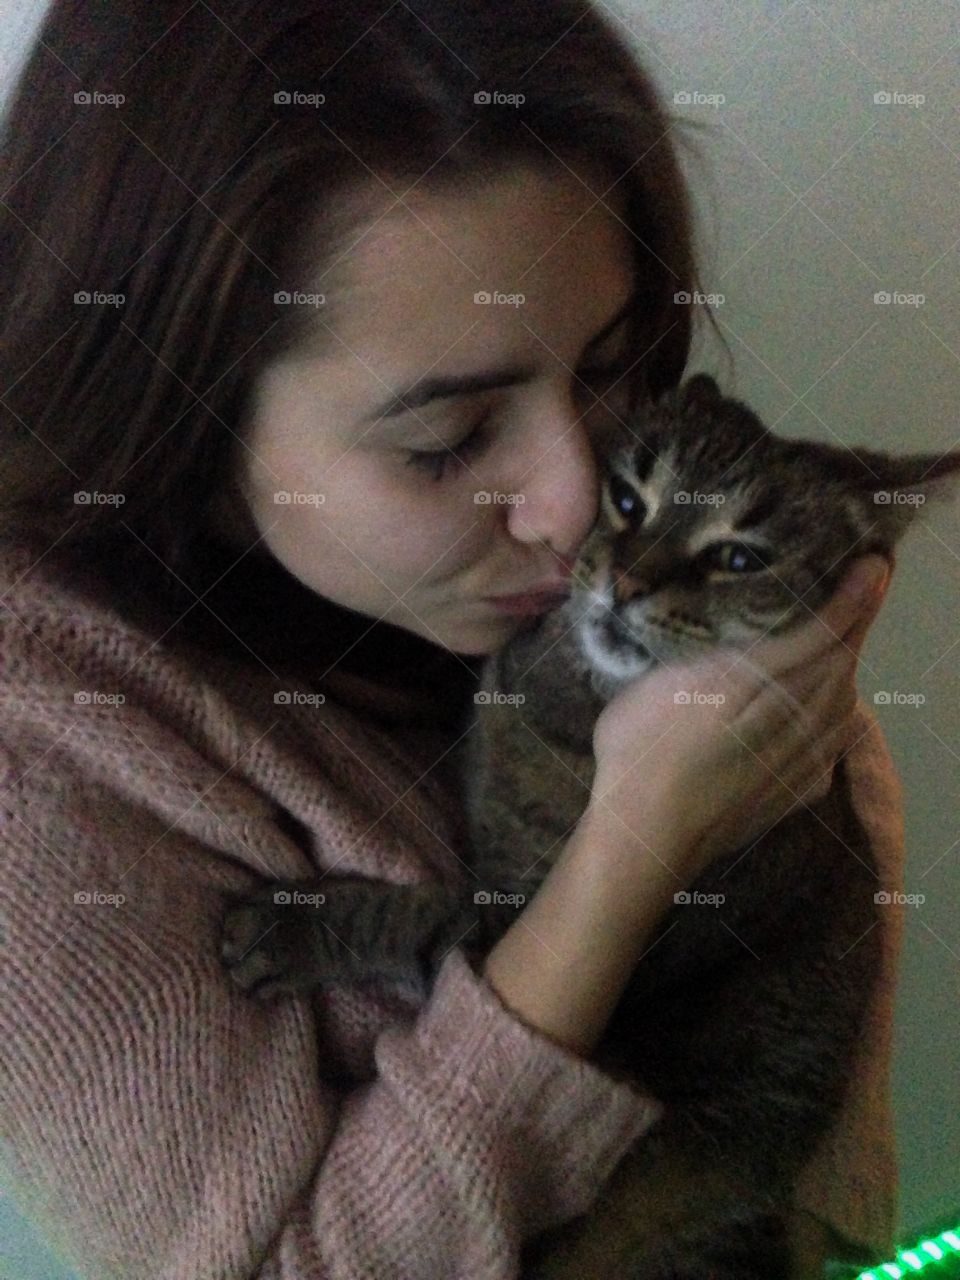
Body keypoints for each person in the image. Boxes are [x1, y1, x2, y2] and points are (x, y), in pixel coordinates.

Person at [0, 2, 905, 1277]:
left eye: (608, 364)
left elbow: (809, 1135)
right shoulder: (40, 781)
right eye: (448, 440)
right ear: (181, 433)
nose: (582, 507)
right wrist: (622, 865)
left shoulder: (630, 558)